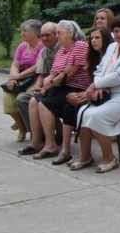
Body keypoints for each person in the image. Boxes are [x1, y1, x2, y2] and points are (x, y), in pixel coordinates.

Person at [70, 15, 120, 173]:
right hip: (110, 92)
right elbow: (99, 70)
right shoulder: (112, 47)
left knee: (97, 115)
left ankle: (109, 158)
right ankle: (85, 156)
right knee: (82, 112)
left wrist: (96, 85)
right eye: (116, 31)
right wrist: (99, 86)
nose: (119, 34)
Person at [19, 20, 90, 159]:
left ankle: (51, 146)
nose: (57, 36)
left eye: (59, 33)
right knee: (33, 101)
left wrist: (50, 83)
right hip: (61, 87)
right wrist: (46, 83)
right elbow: (53, 71)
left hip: (76, 88)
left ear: (70, 33)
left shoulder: (80, 45)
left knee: (44, 104)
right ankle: (36, 142)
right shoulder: (62, 50)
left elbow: (69, 72)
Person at [55, 26, 114, 165]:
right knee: (68, 106)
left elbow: (111, 81)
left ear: (106, 39)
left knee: (79, 109)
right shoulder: (92, 57)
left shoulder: (112, 56)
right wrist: (78, 95)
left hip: (109, 94)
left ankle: (85, 154)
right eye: (91, 38)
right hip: (93, 92)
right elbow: (91, 84)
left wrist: (85, 95)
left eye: (97, 38)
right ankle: (65, 150)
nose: (93, 41)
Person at [16, 23, 60, 137]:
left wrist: (44, 87)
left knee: (41, 101)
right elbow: (41, 73)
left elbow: (60, 74)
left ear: (56, 35)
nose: (44, 38)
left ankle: (55, 132)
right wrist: (37, 87)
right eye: (43, 35)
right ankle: (36, 134)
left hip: (57, 85)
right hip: (44, 84)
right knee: (23, 99)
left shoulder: (61, 49)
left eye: (48, 35)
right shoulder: (44, 50)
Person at [2, 20, 42, 141]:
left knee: (21, 99)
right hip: (20, 79)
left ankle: (33, 131)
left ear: (35, 33)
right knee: (7, 98)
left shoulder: (42, 47)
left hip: (36, 79)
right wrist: (13, 76)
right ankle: (21, 126)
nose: (22, 33)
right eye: (22, 31)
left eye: (25, 31)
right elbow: (15, 64)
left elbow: (37, 67)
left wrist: (18, 76)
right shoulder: (22, 46)